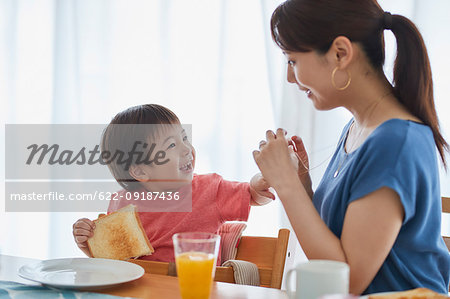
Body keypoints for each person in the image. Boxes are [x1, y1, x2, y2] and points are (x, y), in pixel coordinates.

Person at [253, 0, 450, 295]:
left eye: (292, 60)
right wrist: (300, 185)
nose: (290, 77)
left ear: (340, 53)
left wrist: (286, 185)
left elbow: (348, 281)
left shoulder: (395, 142)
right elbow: (335, 244)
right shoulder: (358, 129)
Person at [72, 104, 275, 263]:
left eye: (184, 138)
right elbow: (112, 261)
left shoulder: (210, 189)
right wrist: (87, 242)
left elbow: (252, 195)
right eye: (171, 145)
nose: (187, 149)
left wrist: (262, 181)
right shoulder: (122, 202)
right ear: (140, 171)